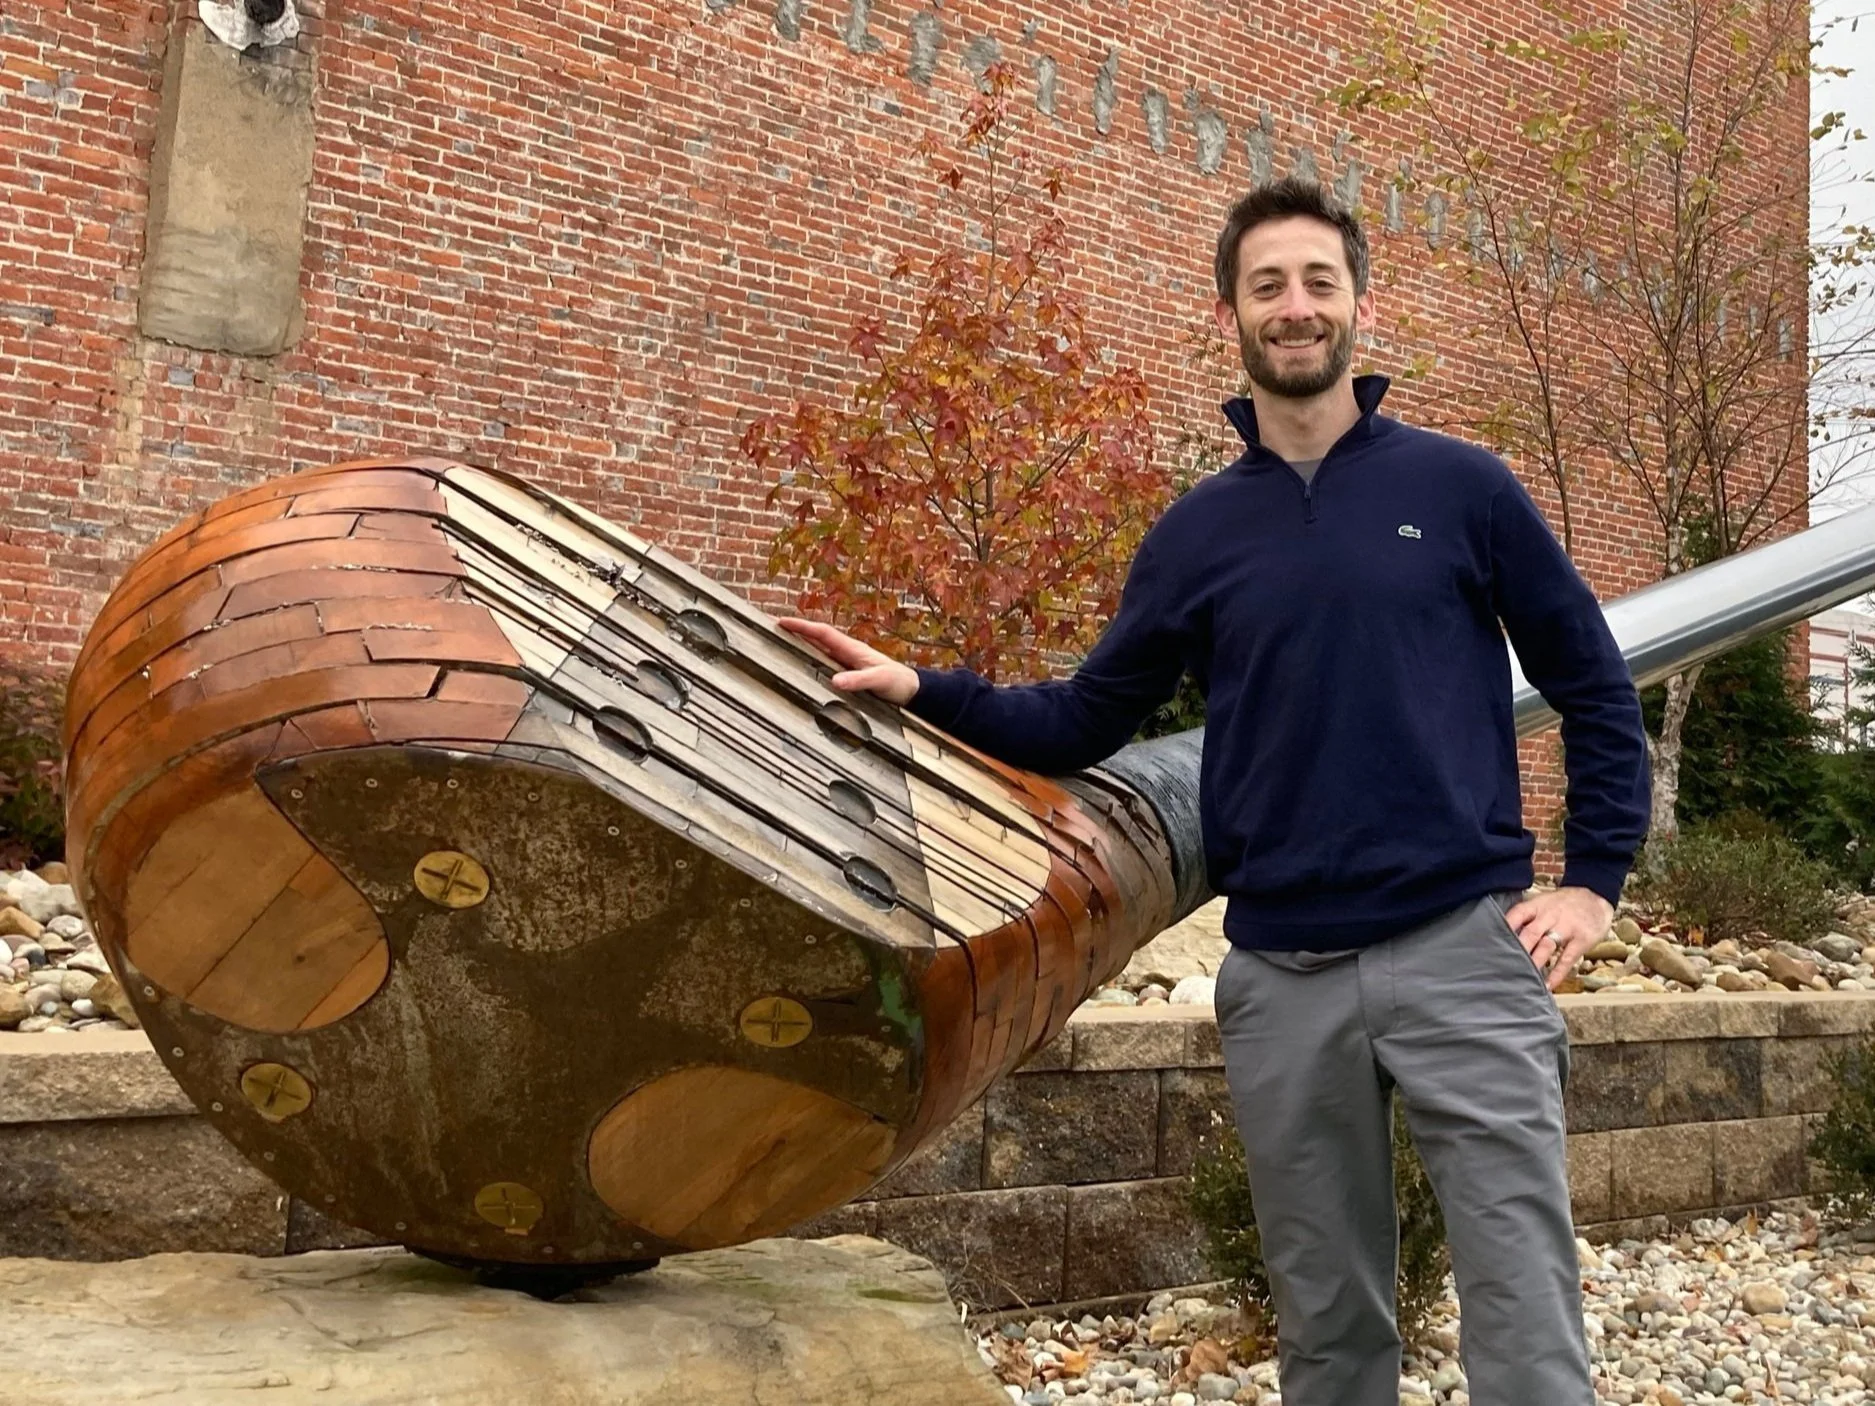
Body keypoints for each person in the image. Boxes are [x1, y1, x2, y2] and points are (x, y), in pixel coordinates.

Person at [779, 175, 1649, 1406]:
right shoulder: (1197, 533)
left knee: (1526, 1313)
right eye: (1268, 287)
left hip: (1462, 949)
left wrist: (1596, 884)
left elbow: (1595, 686)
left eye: (1318, 282)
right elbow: (1084, 717)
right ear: (1233, 313)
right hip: (1282, 977)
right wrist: (923, 684)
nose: (1295, 307)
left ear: (1356, 302)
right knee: (1330, 1326)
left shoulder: (1463, 489)